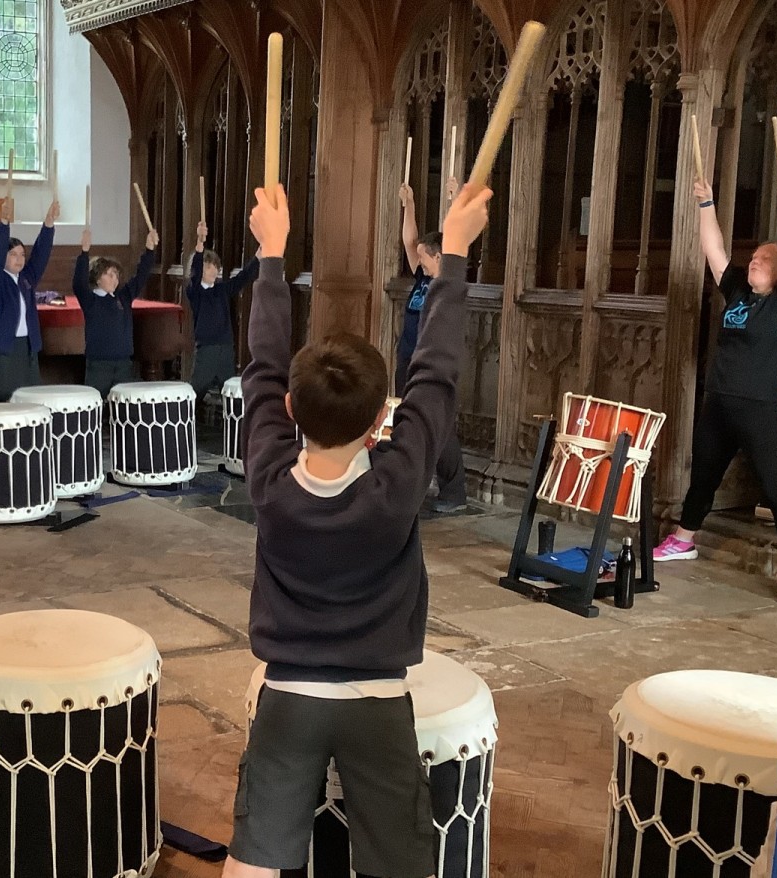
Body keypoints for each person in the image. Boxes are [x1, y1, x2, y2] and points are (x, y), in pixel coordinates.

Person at [224, 180, 491, 878]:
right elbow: (435, 375)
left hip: (289, 695)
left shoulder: (269, 481)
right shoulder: (396, 487)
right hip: (377, 699)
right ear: (382, 422)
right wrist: (453, 255)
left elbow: (260, 365)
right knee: (399, 863)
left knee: (254, 860)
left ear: (287, 409)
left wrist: (272, 258)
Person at [654, 177, 777, 600]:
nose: (755, 262)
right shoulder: (739, 290)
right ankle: (685, 538)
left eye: (764, 259)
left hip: (762, 406)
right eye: (754, 257)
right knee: (703, 474)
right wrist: (706, 203)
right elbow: (714, 251)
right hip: (721, 399)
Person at [397, 181, 467, 513]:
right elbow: (411, 242)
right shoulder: (424, 277)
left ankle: (454, 491)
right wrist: (409, 204)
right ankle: (416, 481)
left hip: (432, 359)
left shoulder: (445, 281)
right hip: (409, 354)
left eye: (426, 260)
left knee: (440, 424)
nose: (419, 264)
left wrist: (455, 199)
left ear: (439, 257)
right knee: (409, 418)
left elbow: (456, 239)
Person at [0, 196, 59, 400]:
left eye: (22, 255)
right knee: (3, 401)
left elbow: (41, 255)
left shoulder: (26, 279)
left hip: (26, 347)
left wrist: (49, 224)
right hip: (5, 348)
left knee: (28, 399)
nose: (19, 259)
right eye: (13, 254)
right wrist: (4, 223)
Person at [73, 225, 159, 396]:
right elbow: (78, 283)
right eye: (109, 274)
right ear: (97, 279)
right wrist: (84, 253)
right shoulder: (90, 300)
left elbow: (140, 276)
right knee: (96, 403)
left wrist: (149, 250)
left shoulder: (123, 297)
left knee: (123, 407)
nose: (115, 279)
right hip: (99, 365)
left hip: (123, 364)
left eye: (117, 275)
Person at [186, 222, 259, 399]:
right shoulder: (195, 291)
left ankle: (233, 425)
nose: (214, 270)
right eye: (209, 266)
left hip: (225, 347)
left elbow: (243, 278)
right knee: (196, 391)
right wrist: (200, 243)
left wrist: (259, 255)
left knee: (231, 392)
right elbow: (195, 272)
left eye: (216, 266)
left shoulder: (221, 289)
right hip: (207, 349)